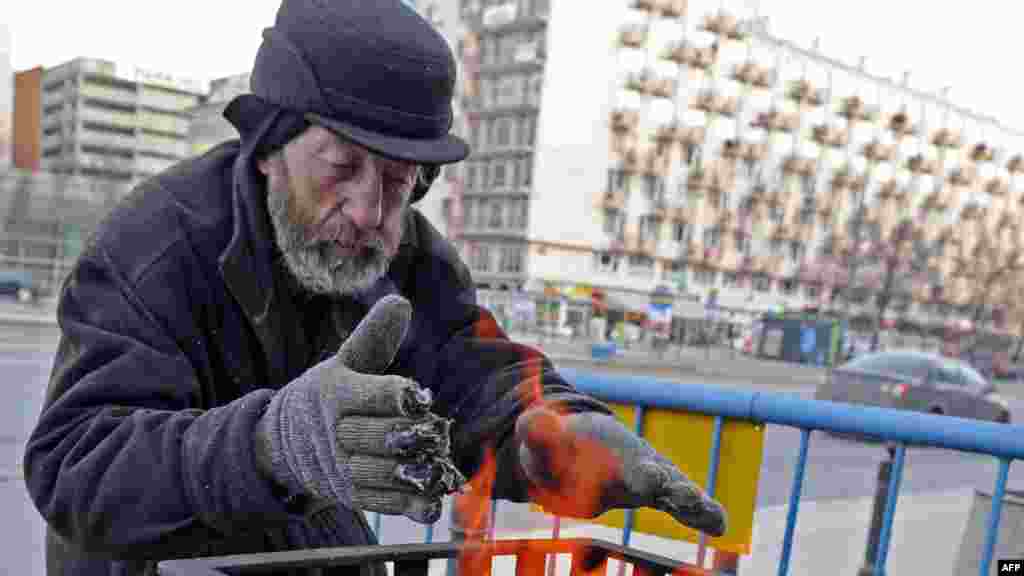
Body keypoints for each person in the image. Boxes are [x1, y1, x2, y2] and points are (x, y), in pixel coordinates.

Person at [23, 2, 726, 575]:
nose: (369, 211)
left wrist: (557, 429)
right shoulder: (157, 243)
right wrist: (272, 444)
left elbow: (472, 372)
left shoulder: (412, 253)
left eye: (397, 181)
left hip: (303, 547)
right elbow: (74, 464)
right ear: (268, 148)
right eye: (340, 166)